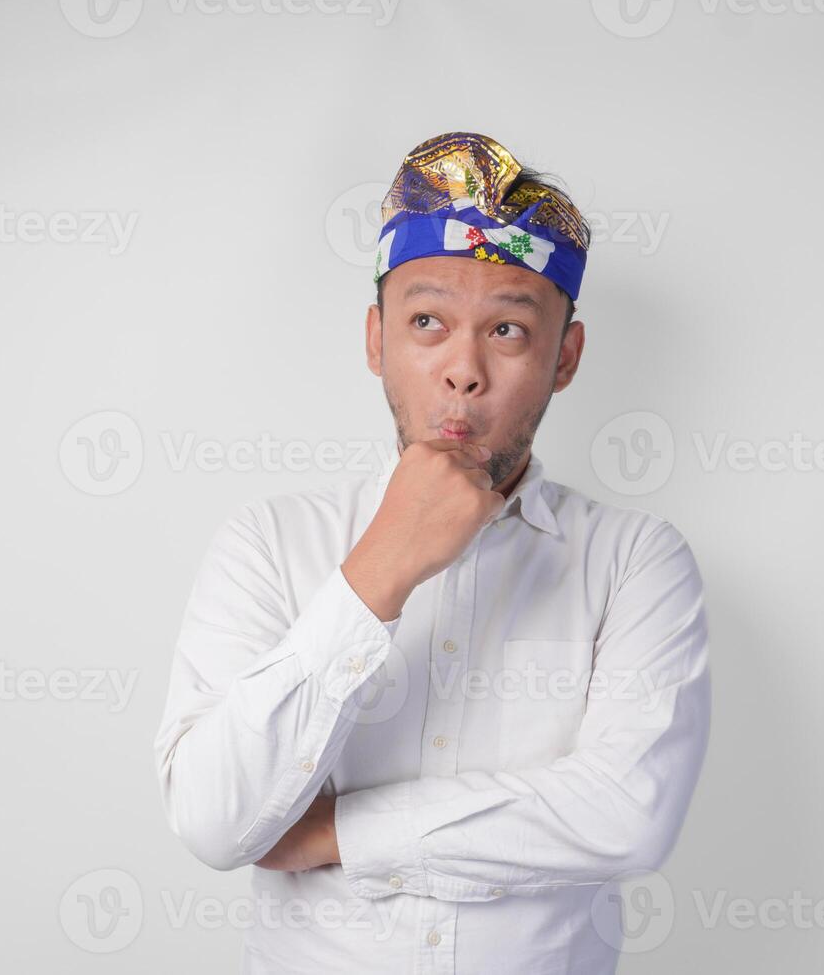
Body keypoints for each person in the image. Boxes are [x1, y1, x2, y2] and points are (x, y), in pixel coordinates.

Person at [153, 130, 711, 974]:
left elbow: (629, 813)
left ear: (565, 357)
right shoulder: (268, 543)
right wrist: (380, 570)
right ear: (377, 340)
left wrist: (338, 834)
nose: (463, 370)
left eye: (510, 332)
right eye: (427, 322)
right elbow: (214, 821)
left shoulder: (636, 561)